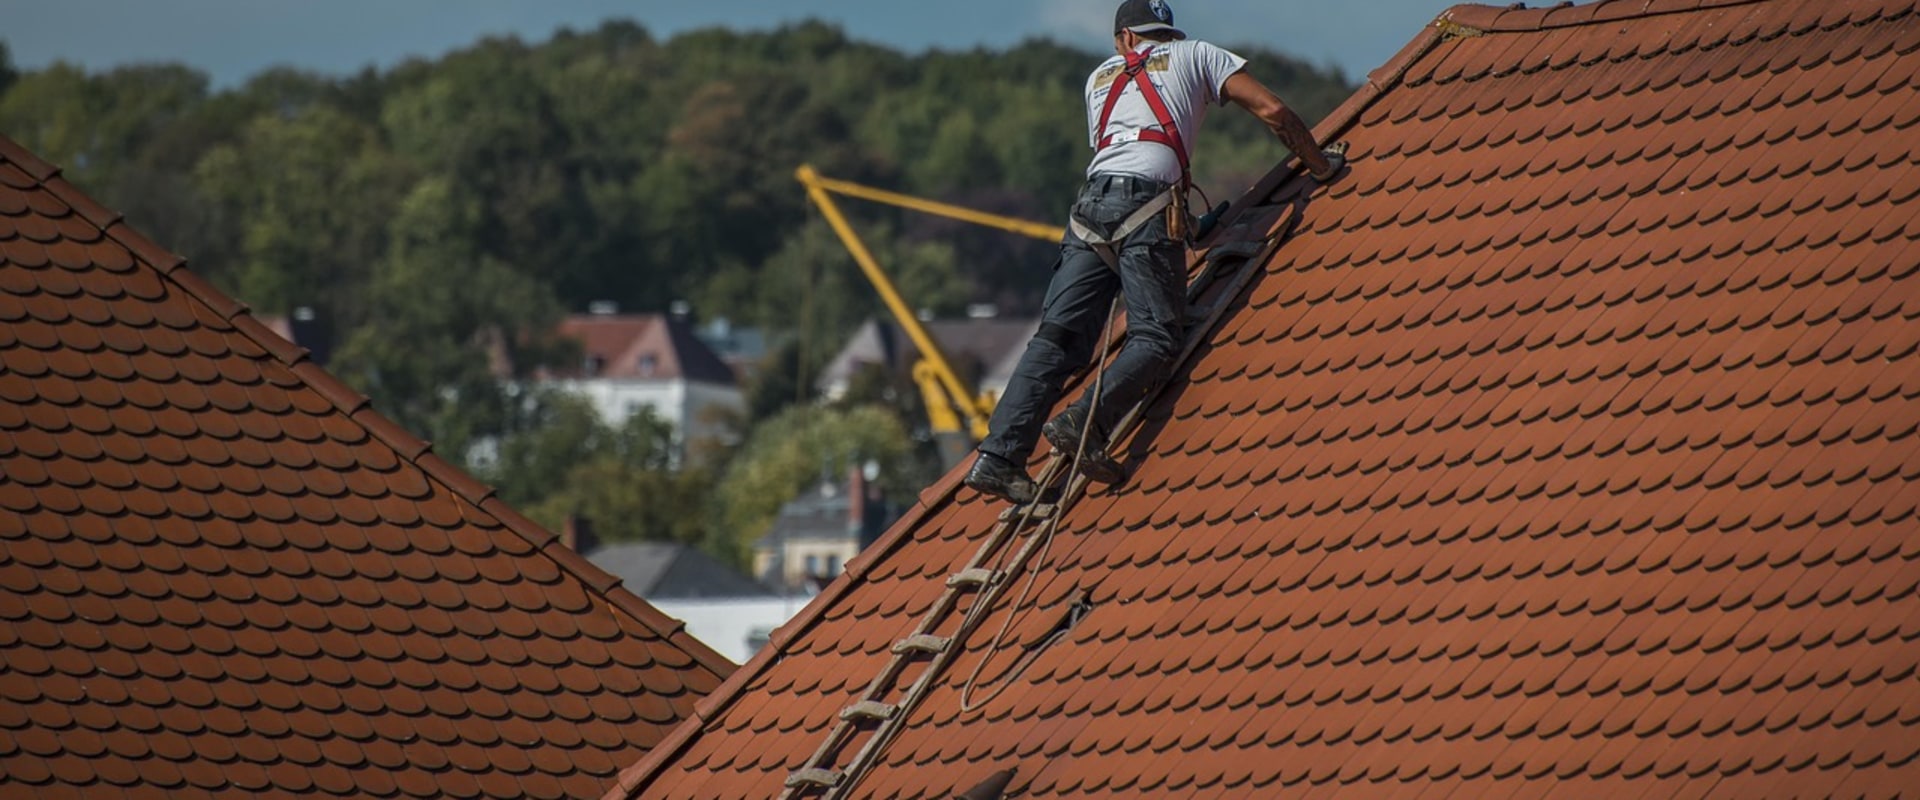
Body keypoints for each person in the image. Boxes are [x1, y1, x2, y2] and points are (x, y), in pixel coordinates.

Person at [963, 0, 1345, 504]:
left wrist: (1183, 228)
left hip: (1089, 210)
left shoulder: (1098, 78)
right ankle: (1085, 422)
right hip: (1146, 204)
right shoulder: (1197, 54)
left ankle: (998, 457)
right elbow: (1272, 111)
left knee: (1056, 339)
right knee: (1157, 335)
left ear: (1124, 40)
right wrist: (1320, 166)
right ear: (1165, 34)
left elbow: (1128, 150)